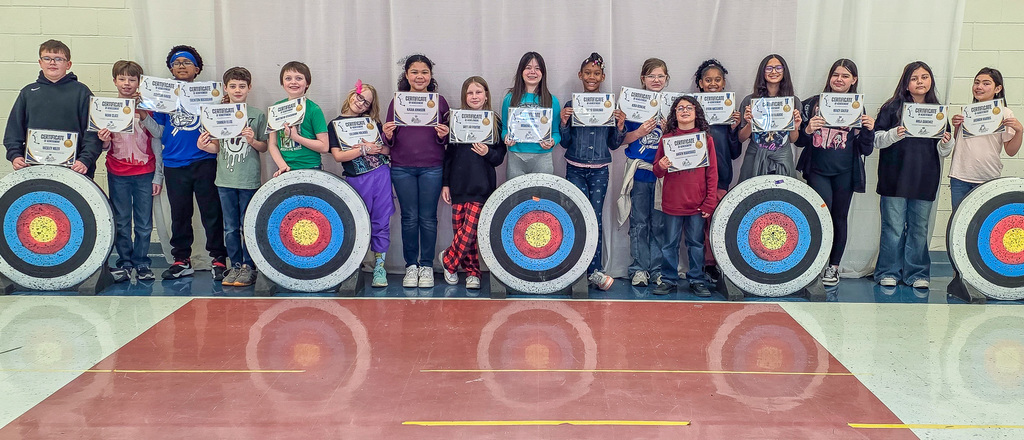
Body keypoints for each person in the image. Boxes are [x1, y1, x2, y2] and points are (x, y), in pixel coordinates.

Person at [146, 45, 228, 280]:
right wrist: (143, 116)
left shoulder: (209, 93)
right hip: (174, 164)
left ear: (197, 68)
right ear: (171, 68)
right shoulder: (163, 97)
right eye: (176, 62)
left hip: (205, 161)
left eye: (186, 62)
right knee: (180, 214)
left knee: (211, 212)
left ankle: (219, 259)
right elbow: (159, 131)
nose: (181, 66)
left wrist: (223, 104)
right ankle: (182, 259)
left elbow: (221, 124)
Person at [873, 61, 954, 289]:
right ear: (906, 84)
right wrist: (894, 134)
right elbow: (876, 140)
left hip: (924, 178)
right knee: (893, 228)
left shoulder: (938, 112)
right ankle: (888, 271)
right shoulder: (891, 108)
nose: (920, 82)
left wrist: (947, 142)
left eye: (925, 77)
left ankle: (917, 273)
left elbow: (944, 151)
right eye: (915, 78)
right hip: (894, 178)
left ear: (931, 81)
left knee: (919, 228)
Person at [797, 59, 875, 286]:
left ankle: (833, 267)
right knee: (820, 216)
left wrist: (869, 129)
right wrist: (808, 129)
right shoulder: (812, 103)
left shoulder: (858, 107)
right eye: (836, 75)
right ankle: (814, 263)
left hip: (845, 172)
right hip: (818, 170)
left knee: (839, 217)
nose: (839, 79)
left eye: (845, 76)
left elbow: (866, 149)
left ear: (854, 80)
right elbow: (800, 141)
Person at [382, 54, 451, 288]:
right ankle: (410, 266)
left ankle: (427, 266)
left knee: (429, 219)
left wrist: (444, 135)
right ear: (407, 75)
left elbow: (449, 139)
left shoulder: (439, 102)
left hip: (432, 167)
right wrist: (388, 134)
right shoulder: (397, 102)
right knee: (409, 218)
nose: (419, 76)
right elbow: (387, 139)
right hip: (402, 168)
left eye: (424, 72)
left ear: (430, 76)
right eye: (414, 72)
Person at [558, 52, 626, 290]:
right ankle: (574, 268)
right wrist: (564, 123)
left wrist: (619, 126)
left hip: (599, 170)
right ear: (580, 75)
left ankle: (594, 270)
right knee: (576, 216)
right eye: (587, 73)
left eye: (596, 73)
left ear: (603, 76)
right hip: (575, 167)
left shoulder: (611, 106)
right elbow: (564, 143)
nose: (591, 77)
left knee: (594, 218)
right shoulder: (570, 105)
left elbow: (614, 144)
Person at [196, 67, 268, 287]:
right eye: (233, 86)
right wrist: (203, 145)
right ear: (225, 88)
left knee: (248, 224)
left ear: (249, 88)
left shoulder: (257, 114)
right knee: (230, 226)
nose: (238, 90)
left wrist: (252, 140)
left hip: (248, 179)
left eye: (242, 86)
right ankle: (235, 265)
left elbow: (264, 147)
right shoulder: (218, 113)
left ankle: (249, 266)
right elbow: (216, 147)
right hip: (224, 180)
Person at [97, 60, 164, 282]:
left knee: (144, 222)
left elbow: (158, 136)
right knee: (122, 220)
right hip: (118, 173)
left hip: (145, 172)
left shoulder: (148, 108)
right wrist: (104, 141)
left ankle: (143, 263)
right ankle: (124, 263)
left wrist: (143, 114)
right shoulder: (107, 110)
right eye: (122, 79)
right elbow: (106, 146)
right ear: (115, 80)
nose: (127, 83)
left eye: (132, 79)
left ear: (139, 82)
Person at [439, 76, 506, 290]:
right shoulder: (454, 119)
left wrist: (488, 152)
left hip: (482, 186)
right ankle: (472, 272)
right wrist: (446, 183)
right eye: (470, 93)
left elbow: (499, 157)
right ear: (464, 96)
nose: (474, 96)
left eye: (479, 92)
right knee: (461, 232)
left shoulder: (494, 121)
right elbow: (448, 156)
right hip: (458, 185)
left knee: (471, 232)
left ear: (486, 95)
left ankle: (448, 259)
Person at [328, 81, 395, 288]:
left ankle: (379, 267)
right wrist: (363, 150)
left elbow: (387, 151)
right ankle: (352, 266)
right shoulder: (334, 125)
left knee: (381, 221)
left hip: (381, 174)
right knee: (356, 222)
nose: (361, 103)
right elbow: (338, 156)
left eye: (366, 102)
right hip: (356, 178)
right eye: (360, 97)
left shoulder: (372, 123)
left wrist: (375, 147)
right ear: (351, 95)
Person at [4, 39, 102, 177]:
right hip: (34, 169)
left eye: (58, 59)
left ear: (68, 64)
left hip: (75, 170)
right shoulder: (28, 93)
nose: (52, 62)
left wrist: (84, 160)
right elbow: (13, 132)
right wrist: (15, 156)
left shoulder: (82, 92)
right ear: (40, 63)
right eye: (47, 58)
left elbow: (93, 134)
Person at [651, 96, 719, 297]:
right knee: (669, 244)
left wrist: (709, 202)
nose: (685, 111)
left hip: (697, 204)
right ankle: (669, 279)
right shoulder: (667, 139)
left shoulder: (706, 139)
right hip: (673, 202)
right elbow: (657, 170)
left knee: (696, 244)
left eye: (689, 107)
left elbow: (712, 173)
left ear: (696, 112)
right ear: (675, 114)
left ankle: (697, 279)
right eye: (680, 108)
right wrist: (661, 166)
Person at [618, 58, 669, 287]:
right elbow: (622, 142)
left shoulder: (674, 106)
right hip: (639, 173)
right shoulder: (630, 105)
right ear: (643, 79)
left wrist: (669, 131)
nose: (656, 80)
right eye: (651, 76)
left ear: (667, 79)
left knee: (659, 224)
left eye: (660, 76)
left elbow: (683, 143)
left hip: (663, 175)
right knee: (639, 223)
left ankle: (657, 270)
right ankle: (638, 268)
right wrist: (639, 132)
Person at [692, 58, 742, 282]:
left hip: (721, 175)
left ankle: (716, 264)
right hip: (694, 177)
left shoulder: (728, 113)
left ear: (723, 84)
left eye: (717, 80)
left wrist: (733, 129)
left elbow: (735, 153)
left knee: (718, 220)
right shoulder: (690, 111)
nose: (713, 83)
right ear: (700, 83)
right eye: (708, 80)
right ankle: (699, 265)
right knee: (696, 223)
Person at [948, 67, 1023, 211]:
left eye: (986, 83)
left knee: (982, 225)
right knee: (958, 225)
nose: (979, 87)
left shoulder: (1005, 113)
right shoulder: (968, 112)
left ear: (997, 88)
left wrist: (1019, 131)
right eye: (976, 83)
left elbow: (1011, 151)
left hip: (987, 178)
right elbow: (960, 144)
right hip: (960, 177)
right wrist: (957, 127)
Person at [737, 54, 803, 180]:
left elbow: (792, 140)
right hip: (755, 155)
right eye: (769, 68)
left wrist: (794, 127)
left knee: (783, 197)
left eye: (778, 68)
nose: (774, 72)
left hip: (783, 157)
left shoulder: (793, 102)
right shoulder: (750, 101)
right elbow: (741, 138)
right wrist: (750, 123)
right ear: (763, 71)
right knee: (752, 196)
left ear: (784, 71)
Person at [501, 51, 561, 179]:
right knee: (517, 198)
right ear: (521, 72)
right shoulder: (509, 99)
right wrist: (505, 137)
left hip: (542, 157)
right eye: (528, 68)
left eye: (537, 68)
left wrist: (552, 141)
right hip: (516, 157)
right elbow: (504, 129)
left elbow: (556, 132)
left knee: (542, 197)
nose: (532, 72)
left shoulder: (552, 100)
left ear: (543, 73)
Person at [266, 61, 329, 176]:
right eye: (288, 78)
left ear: (307, 83)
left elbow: (324, 146)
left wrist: (295, 137)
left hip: (311, 168)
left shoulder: (314, 109)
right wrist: (282, 166)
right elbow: (272, 143)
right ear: (282, 83)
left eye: (299, 78)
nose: (293, 82)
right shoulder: (276, 109)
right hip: (286, 169)